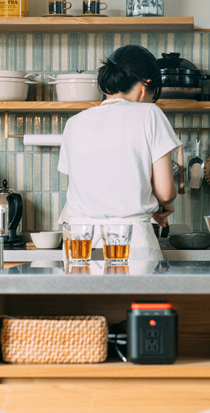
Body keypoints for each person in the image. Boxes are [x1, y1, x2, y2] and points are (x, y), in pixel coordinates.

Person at [58, 45, 180, 262]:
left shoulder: (74, 123)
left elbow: (91, 183)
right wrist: (162, 204)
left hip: (80, 243)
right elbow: (166, 193)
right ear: (146, 85)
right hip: (129, 242)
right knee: (133, 298)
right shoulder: (149, 113)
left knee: (85, 296)